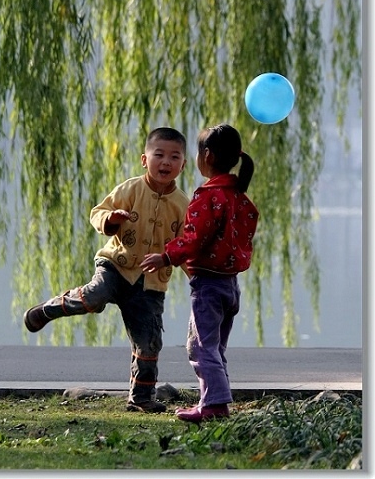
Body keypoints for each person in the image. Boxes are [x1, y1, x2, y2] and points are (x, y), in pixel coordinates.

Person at [23, 127, 189, 413]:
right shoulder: (130, 189)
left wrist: (195, 276)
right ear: (144, 159)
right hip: (116, 265)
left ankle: (140, 397)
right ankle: (48, 309)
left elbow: (186, 245)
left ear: (183, 165)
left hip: (150, 283)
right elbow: (97, 213)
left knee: (149, 341)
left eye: (174, 157)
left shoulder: (183, 204)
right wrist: (111, 219)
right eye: (158, 155)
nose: (165, 162)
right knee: (94, 297)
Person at [140, 123, 259, 423]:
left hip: (208, 285)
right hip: (231, 286)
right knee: (216, 348)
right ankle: (213, 401)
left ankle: (215, 406)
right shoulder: (240, 198)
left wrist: (166, 256)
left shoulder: (209, 197)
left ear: (205, 155)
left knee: (200, 347)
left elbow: (194, 238)